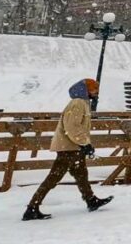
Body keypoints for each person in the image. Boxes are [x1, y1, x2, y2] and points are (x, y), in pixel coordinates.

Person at [22, 78, 113, 221]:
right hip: (68, 149)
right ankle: (32, 208)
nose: (97, 92)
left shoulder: (82, 103)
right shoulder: (77, 103)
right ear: (87, 90)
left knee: (82, 175)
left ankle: (91, 200)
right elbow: (72, 127)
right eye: (94, 89)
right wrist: (85, 143)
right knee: (53, 178)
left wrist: (84, 144)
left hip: (73, 147)